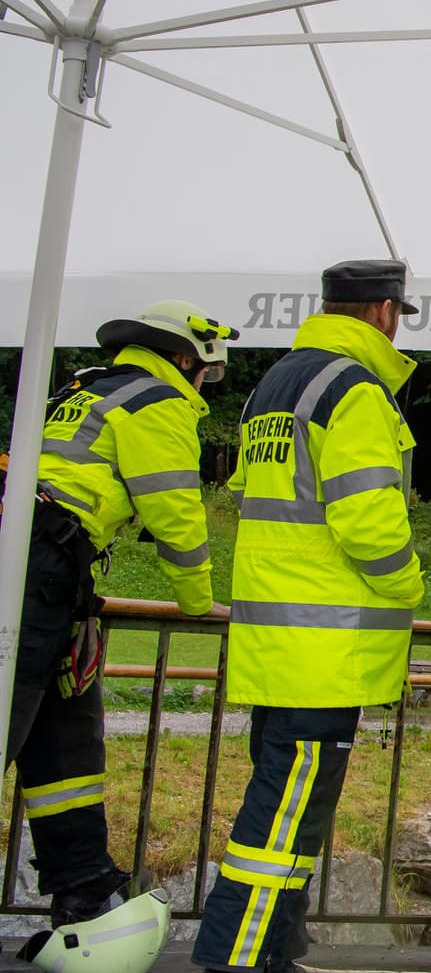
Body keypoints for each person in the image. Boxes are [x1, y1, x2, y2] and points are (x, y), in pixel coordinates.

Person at [194, 261, 425, 973]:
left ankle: (277, 951)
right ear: (385, 312)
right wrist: (409, 586)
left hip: (277, 637)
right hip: (325, 649)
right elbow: (367, 520)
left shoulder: (278, 384)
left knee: (292, 810)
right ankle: (236, 956)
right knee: (283, 815)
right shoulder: (354, 391)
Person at [9, 300, 231, 928]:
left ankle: (82, 885)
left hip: (49, 565)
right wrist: (196, 602)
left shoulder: (84, 388)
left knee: (65, 736)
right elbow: (175, 515)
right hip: (39, 564)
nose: (201, 387)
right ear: (185, 358)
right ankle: (81, 884)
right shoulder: (155, 402)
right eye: (204, 373)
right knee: (9, 720)